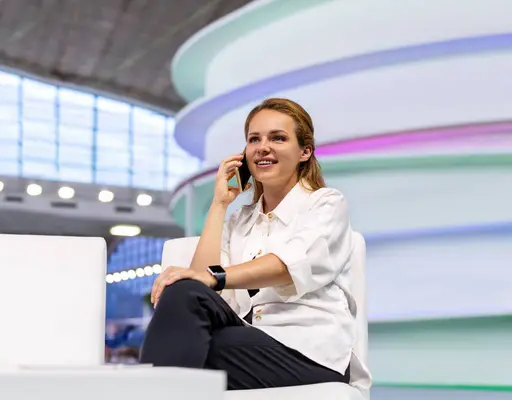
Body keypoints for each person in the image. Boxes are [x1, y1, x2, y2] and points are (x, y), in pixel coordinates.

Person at [139, 98, 370, 391]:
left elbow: (289, 265)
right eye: (254, 139)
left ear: (305, 152)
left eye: (278, 138)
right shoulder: (241, 221)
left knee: (185, 349)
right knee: (183, 295)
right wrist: (220, 203)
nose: (263, 147)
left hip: (311, 352)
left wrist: (215, 276)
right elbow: (197, 285)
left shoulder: (326, 203)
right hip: (251, 339)